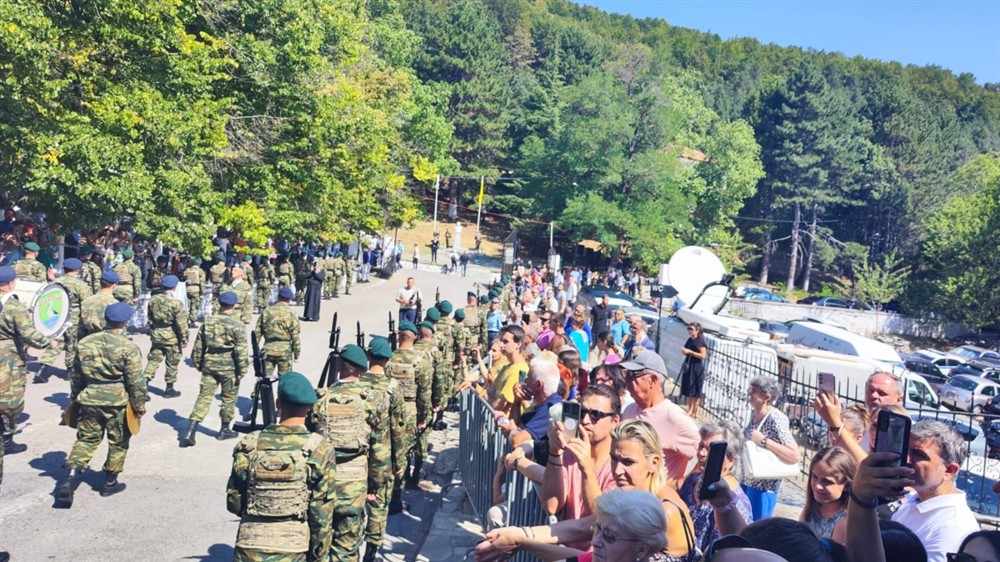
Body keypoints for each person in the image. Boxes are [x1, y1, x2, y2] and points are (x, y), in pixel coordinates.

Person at [475, 419, 697, 561]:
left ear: (654, 462)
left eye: (628, 462)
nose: (617, 470)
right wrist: (520, 535)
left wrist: (522, 541)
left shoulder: (663, 511)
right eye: (614, 459)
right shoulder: (631, 497)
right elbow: (584, 526)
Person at [226, 371, 336, 562]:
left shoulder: (250, 444)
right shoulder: (320, 449)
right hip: (292, 546)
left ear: (278, 403)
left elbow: (234, 502)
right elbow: (321, 511)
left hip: (250, 543)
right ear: (310, 407)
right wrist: (320, 555)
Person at [56, 302, 147, 507]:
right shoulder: (128, 346)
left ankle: (70, 479)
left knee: (86, 439)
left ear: (106, 319)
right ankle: (110, 482)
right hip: (117, 401)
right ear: (124, 322)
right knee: (118, 441)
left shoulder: (86, 343)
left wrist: (76, 397)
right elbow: (135, 380)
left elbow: (76, 375)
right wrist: (139, 405)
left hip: (89, 397)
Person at [308, 344, 390, 562]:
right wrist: (375, 486)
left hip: (322, 482)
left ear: (339, 368)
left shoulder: (319, 398)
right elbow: (380, 451)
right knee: (346, 545)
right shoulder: (373, 400)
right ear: (362, 371)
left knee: (317, 543)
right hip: (354, 481)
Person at [888, 420, 979, 562]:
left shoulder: (953, 527)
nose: (906, 459)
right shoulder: (913, 500)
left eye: (919, 454)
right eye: (906, 450)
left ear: (949, 470)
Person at [540, 384, 621, 520]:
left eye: (595, 415)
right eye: (582, 412)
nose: (585, 420)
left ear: (615, 421)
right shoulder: (570, 452)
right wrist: (554, 451)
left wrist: (586, 469)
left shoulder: (619, 465)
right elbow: (551, 506)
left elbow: (599, 518)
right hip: (564, 539)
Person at [0, 265, 57, 454]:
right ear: (10, 283)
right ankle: (6, 440)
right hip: (7, 355)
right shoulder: (13, 305)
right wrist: (48, 343)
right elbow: (28, 333)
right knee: (10, 398)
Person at [619, 349, 699, 483]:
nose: (626, 382)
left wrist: (680, 486)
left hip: (657, 502)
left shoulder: (674, 417)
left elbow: (709, 457)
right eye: (626, 374)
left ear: (652, 380)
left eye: (632, 375)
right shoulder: (629, 411)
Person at [183, 291, 248, 445]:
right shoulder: (237, 324)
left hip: (210, 363)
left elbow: (199, 345)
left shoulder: (209, 321)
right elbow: (241, 350)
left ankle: (190, 430)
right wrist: (242, 370)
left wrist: (197, 363)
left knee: (204, 397)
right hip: (229, 366)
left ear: (220, 304)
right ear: (234, 305)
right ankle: (224, 429)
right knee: (228, 398)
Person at [679, 420, 753, 554]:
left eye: (709, 450)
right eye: (701, 446)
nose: (701, 453)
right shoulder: (693, 480)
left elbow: (734, 550)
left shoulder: (737, 504)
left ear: (730, 459)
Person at [361, 338, 404, 562]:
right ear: (388, 360)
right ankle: (371, 552)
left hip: (356, 454)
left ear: (368, 358)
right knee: (378, 503)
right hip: (382, 455)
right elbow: (398, 428)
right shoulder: (392, 387)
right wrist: (399, 462)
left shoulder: (355, 383)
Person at [741, 375, 801, 520]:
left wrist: (764, 441)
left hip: (764, 487)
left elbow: (794, 455)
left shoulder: (776, 418)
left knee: (757, 531)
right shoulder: (754, 414)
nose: (749, 393)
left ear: (766, 397)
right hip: (747, 480)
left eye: (753, 390)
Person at [385, 321, 427, 512]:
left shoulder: (388, 359)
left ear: (398, 336)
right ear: (415, 337)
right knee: (403, 454)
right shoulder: (420, 362)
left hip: (387, 409)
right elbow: (424, 394)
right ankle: (395, 498)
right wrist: (423, 418)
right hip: (409, 409)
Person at [38, 258, 91, 380]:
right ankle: (70, 370)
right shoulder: (81, 285)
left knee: (57, 341)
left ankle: (44, 367)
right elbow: (86, 304)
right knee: (72, 344)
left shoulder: (57, 282)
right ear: (77, 270)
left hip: (58, 316)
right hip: (74, 318)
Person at [143, 275, 188, 398]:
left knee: (153, 360)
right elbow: (181, 323)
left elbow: (150, 317)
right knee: (172, 362)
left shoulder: (153, 300)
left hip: (157, 334)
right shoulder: (176, 303)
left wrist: (154, 329)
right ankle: (169, 388)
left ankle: (144, 384)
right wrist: (184, 338)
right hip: (171, 336)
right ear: (174, 286)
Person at [800, 446, 855, 543]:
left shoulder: (843, 523)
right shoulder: (811, 508)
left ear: (846, 485)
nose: (818, 486)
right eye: (815, 477)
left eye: (827, 481)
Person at [409, 321, 439, 489]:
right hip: (424, 401)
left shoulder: (410, 352)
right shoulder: (433, 351)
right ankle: (416, 474)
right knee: (422, 439)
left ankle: (405, 475)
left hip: (406, 407)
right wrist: (438, 403)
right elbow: (440, 377)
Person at [257, 287, 301, 377]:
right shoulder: (291, 313)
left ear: (278, 297)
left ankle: (258, 391)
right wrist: (297, 354)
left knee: (264, 378)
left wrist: (256, 350)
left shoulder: (267, 311)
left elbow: (257, 332)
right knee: (285, 380)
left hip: (268, 349)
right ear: (289, 299)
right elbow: (295, 336)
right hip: (284, 351)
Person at [487, 325, 530, 414]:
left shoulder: (519, 370)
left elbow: (498, 406)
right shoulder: (507, 367)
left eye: (505, 342)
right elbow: (489, 392)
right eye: (501, 341)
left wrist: (486, 399)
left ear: (518, 344)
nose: (501, 345)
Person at [78, 270, 120, 340]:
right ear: (114, 285)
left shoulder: (86, 301)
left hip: (88, 338)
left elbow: (81, 324)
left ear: (100, 284)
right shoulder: (115, 303)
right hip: (106, 339)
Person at [680, 322, 708, 418]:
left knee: (695, 390)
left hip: (696, 366)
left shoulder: (699, 341)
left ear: (697, 330)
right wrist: (685, 352)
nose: (689, 331)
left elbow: (703, 355)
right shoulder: (690, 339)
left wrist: (690, 352)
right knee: (690, 389)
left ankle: (693, 411)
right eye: (688, 328)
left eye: (691, 329)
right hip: (689, 364)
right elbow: (687, 351)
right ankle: (690, 409)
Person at [184, 257, 206, 325]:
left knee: (187, 306)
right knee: (195, 306)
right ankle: (192, 321)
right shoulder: (200, 271)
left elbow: (183, 278)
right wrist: (202, 293)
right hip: (196, 290)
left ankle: (186, 320)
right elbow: (202, 283)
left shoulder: (187, 270)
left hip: (187, 289)